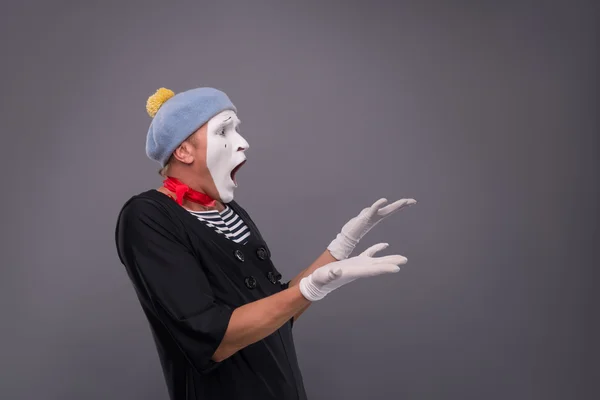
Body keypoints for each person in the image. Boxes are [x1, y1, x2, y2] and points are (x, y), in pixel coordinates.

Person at [114, 86, 416, 400]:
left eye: (237, 128)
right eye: (223, 130)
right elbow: (213, 339)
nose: (243, 142)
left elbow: (276, 313)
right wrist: (309, 288)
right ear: (184, 151)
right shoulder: (148, 217)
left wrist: (340, 247)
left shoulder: (230, 212)